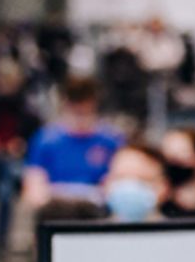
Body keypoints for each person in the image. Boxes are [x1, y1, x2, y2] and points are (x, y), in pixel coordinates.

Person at [21, 76, 123, 214]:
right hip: (55, 211)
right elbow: (34, 185)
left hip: (97, 212)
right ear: (66, 106)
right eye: (76, 111)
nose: (80, 116)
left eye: (85, 111)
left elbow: (118, 182)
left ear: (94, 105)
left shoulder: (111, 140)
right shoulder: (45, 139)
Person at [101, 142, 169, 223]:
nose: (129, 187)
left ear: (164, 187)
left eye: (142, 180)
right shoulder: (91, 234)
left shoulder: (181, 234)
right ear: (105, 183)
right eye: (120, 178)